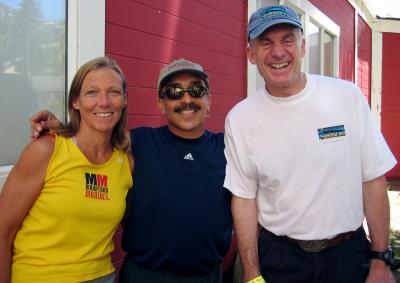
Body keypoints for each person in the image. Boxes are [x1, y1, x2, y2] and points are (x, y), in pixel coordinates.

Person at [223, 5, 397, 283]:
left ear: (302, 47)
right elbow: (244, 200)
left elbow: (373, 179)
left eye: (287, 40)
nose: (278, 52)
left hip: (349, 257)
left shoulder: (347, 97)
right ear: (251, 54)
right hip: (280, 259)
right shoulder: (240, 119)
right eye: (265, 43)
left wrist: (380, 259)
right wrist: (253, 274)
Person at [29, 58, 233, 283]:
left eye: (196, 90)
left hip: (208, 276)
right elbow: (94, 138)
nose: (186, 99)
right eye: (174, 92)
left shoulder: (230, 149)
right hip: (146, 275)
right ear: (161, 104)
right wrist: (63, 129)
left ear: (209, 100)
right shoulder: (139, 142)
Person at [0, 57, 133, 283]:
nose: (103, 102)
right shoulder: (45, 150)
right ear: (75, 102)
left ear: (124, 100)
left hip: (101, 277)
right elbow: (3, 232)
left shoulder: (126, 161)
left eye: (113, 92)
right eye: (91, 92)